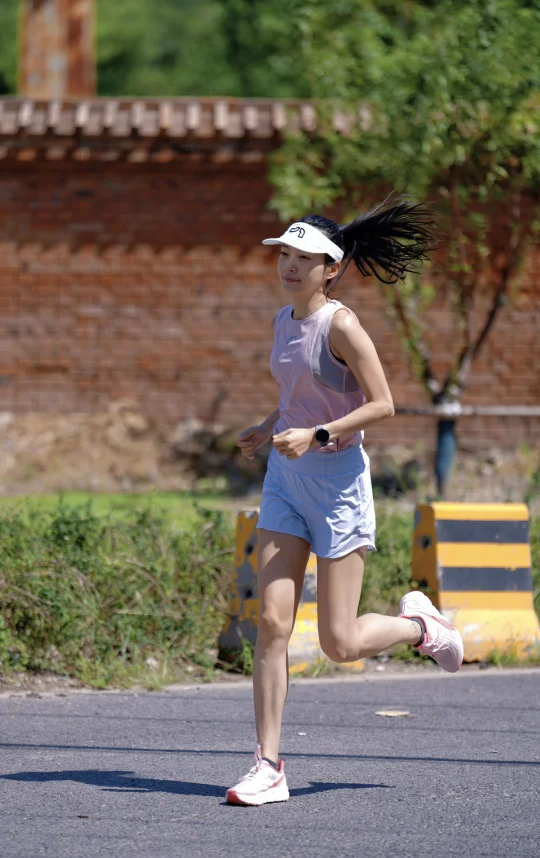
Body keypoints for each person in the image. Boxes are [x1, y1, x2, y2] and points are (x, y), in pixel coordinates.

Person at [225, 198, 463, 807]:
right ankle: (268, 765)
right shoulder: (283, 320)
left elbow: (383, 404)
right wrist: (267, 427)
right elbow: (299, 397)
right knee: (272, 622)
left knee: (340, 644)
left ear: (331, 268)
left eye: (304, 258)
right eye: (285, 254)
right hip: (285, 480)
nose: (290, 266)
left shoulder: (343, 326)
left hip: (337, 487)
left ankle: (420, 627)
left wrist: (319, 435)